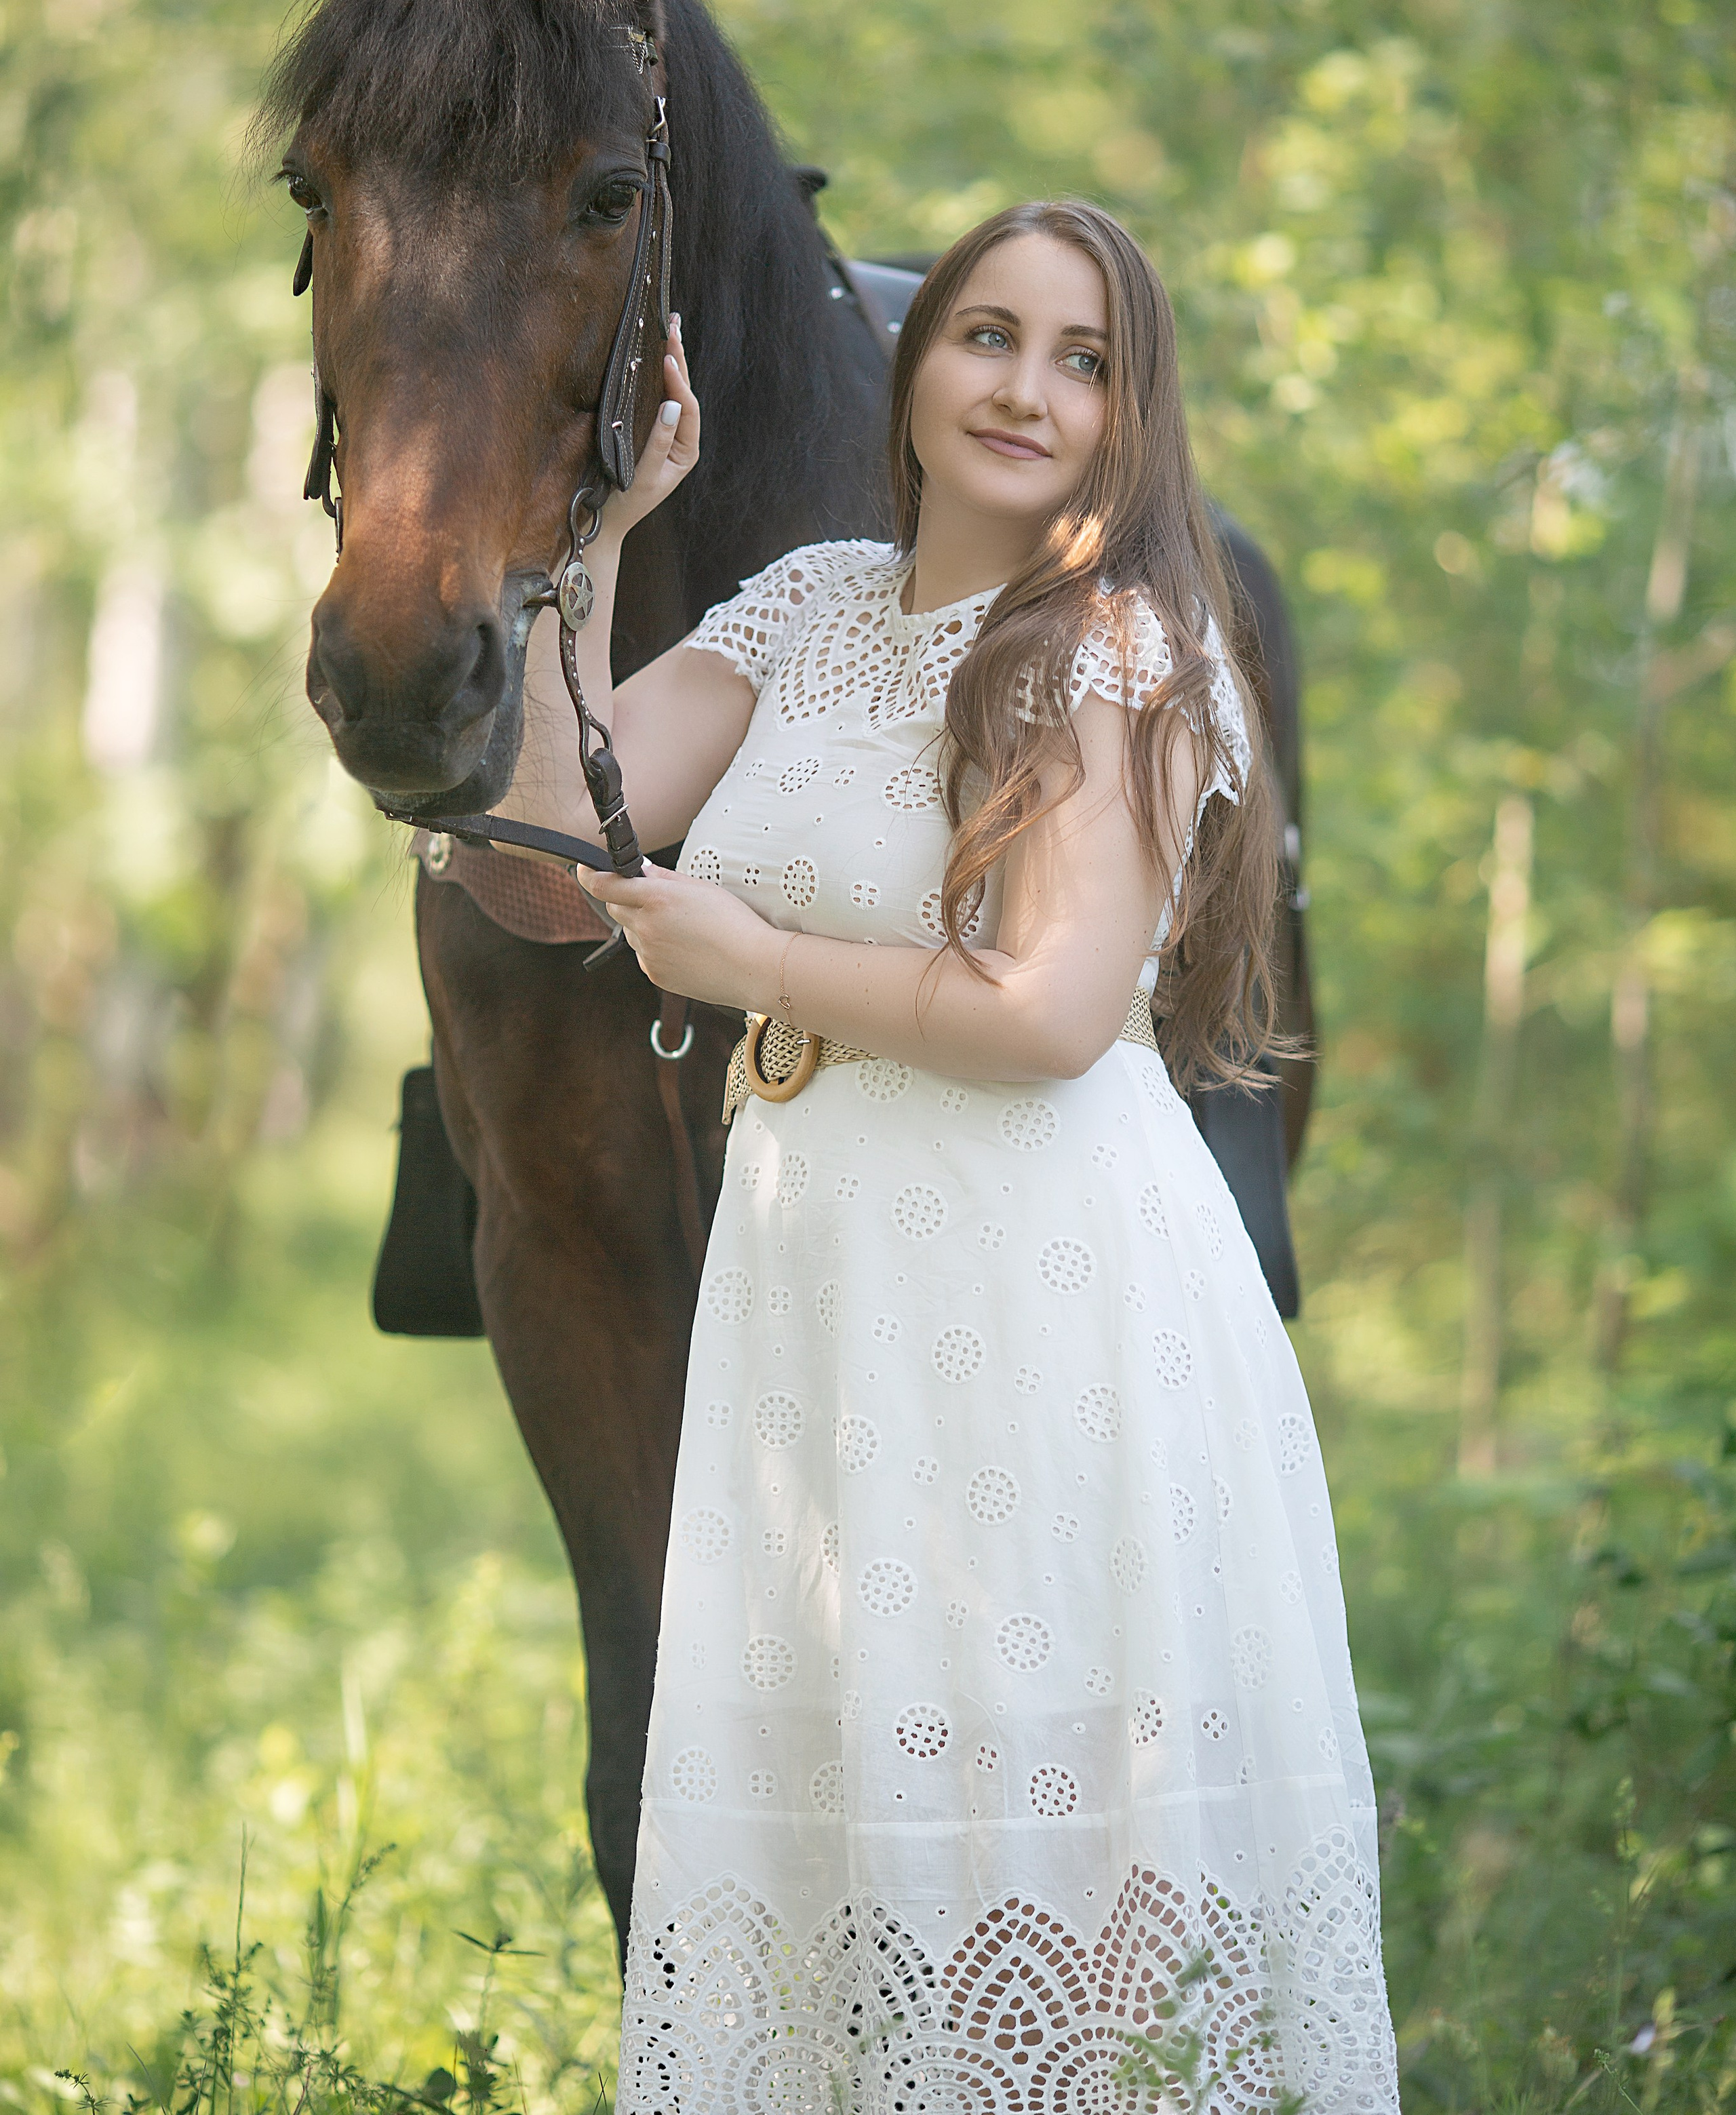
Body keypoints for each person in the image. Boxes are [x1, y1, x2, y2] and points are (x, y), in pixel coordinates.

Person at [553, 201, 1397, 2112]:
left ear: (1129, 412)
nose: (1026, 388)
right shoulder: (810, 605)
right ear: (912, 361)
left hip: (1041, 1281)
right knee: (857, 1792)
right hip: (828, 1272)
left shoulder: (1123, 647)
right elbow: (555, 806)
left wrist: (754, 957)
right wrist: (607, 531)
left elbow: (1049, 1014)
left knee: (1043, 1839)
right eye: (988, 337)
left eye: (1082, 359)